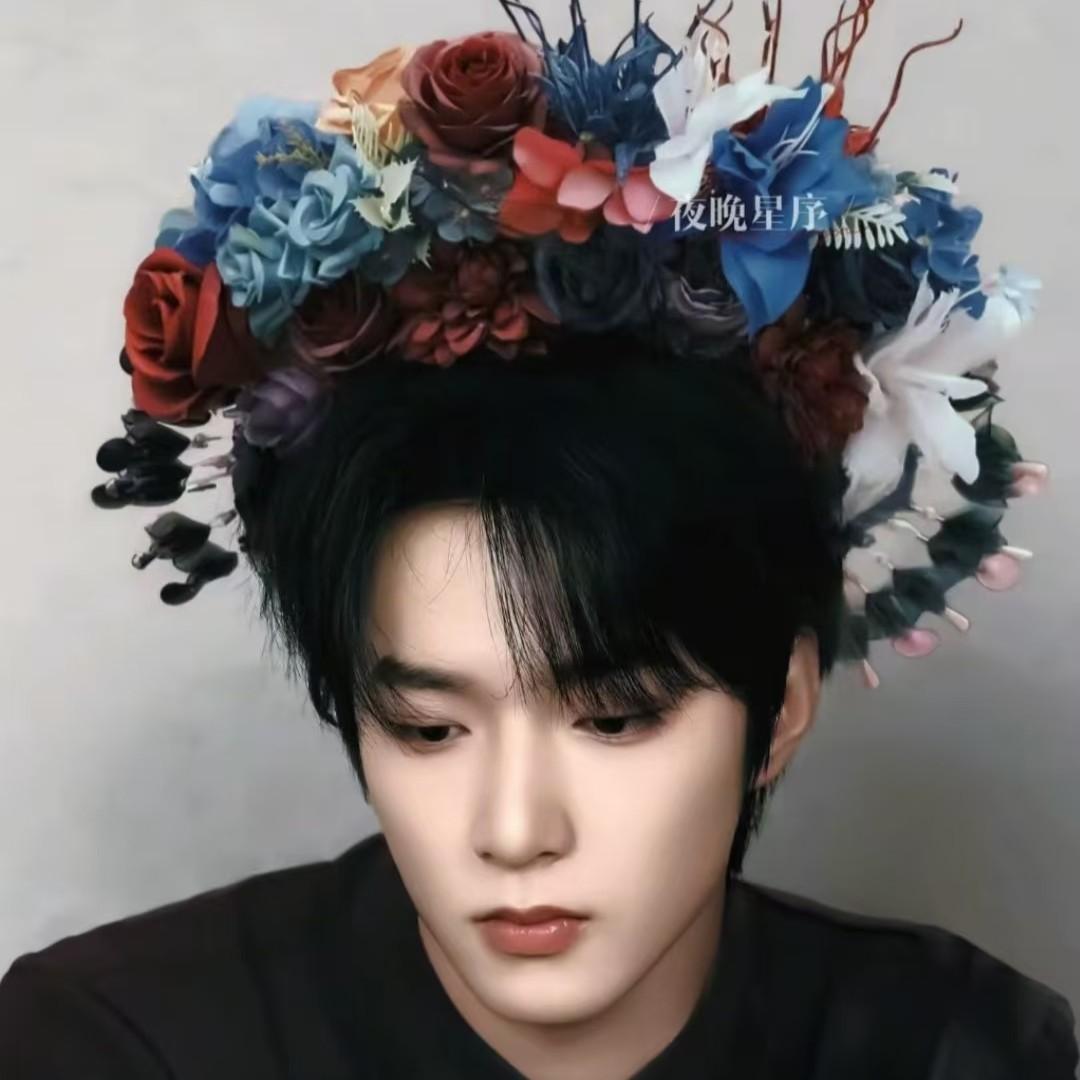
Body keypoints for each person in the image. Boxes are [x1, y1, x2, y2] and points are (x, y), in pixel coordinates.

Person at [1, 1, 1076, 1077]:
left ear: (782, 707)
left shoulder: (961, 1049)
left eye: (614, 719)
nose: (516, 833)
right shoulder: (118, 1044)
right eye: (428, 730)